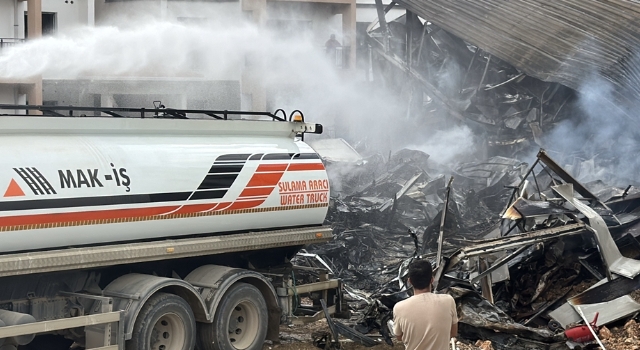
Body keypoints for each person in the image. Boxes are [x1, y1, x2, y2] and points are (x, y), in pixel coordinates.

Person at [393, 260, 458, 350]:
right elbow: (453, 333)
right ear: (432, 279)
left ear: (410, 281)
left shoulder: (399, 308)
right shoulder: (448, 301)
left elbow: (399, 337)